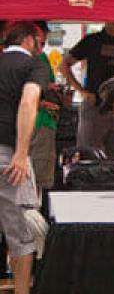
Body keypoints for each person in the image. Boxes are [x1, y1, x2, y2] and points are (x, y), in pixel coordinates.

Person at [0, 22, 48, 294]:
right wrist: (20, 153)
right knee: (21, 230)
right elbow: (29, 102)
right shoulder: (33, 66)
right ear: (31, 40)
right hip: (9, 155)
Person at [61, 22, 114, 160]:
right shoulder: (92, 40)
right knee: (88, 157)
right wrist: (81, 91)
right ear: (105, 18)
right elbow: (64, 65)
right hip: (95, 107)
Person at [28, 22, 62, 195]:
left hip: (43, 120)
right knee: (35, 179)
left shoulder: (41, 57)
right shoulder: (27, 58)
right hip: (37, 122)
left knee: (36, 180)